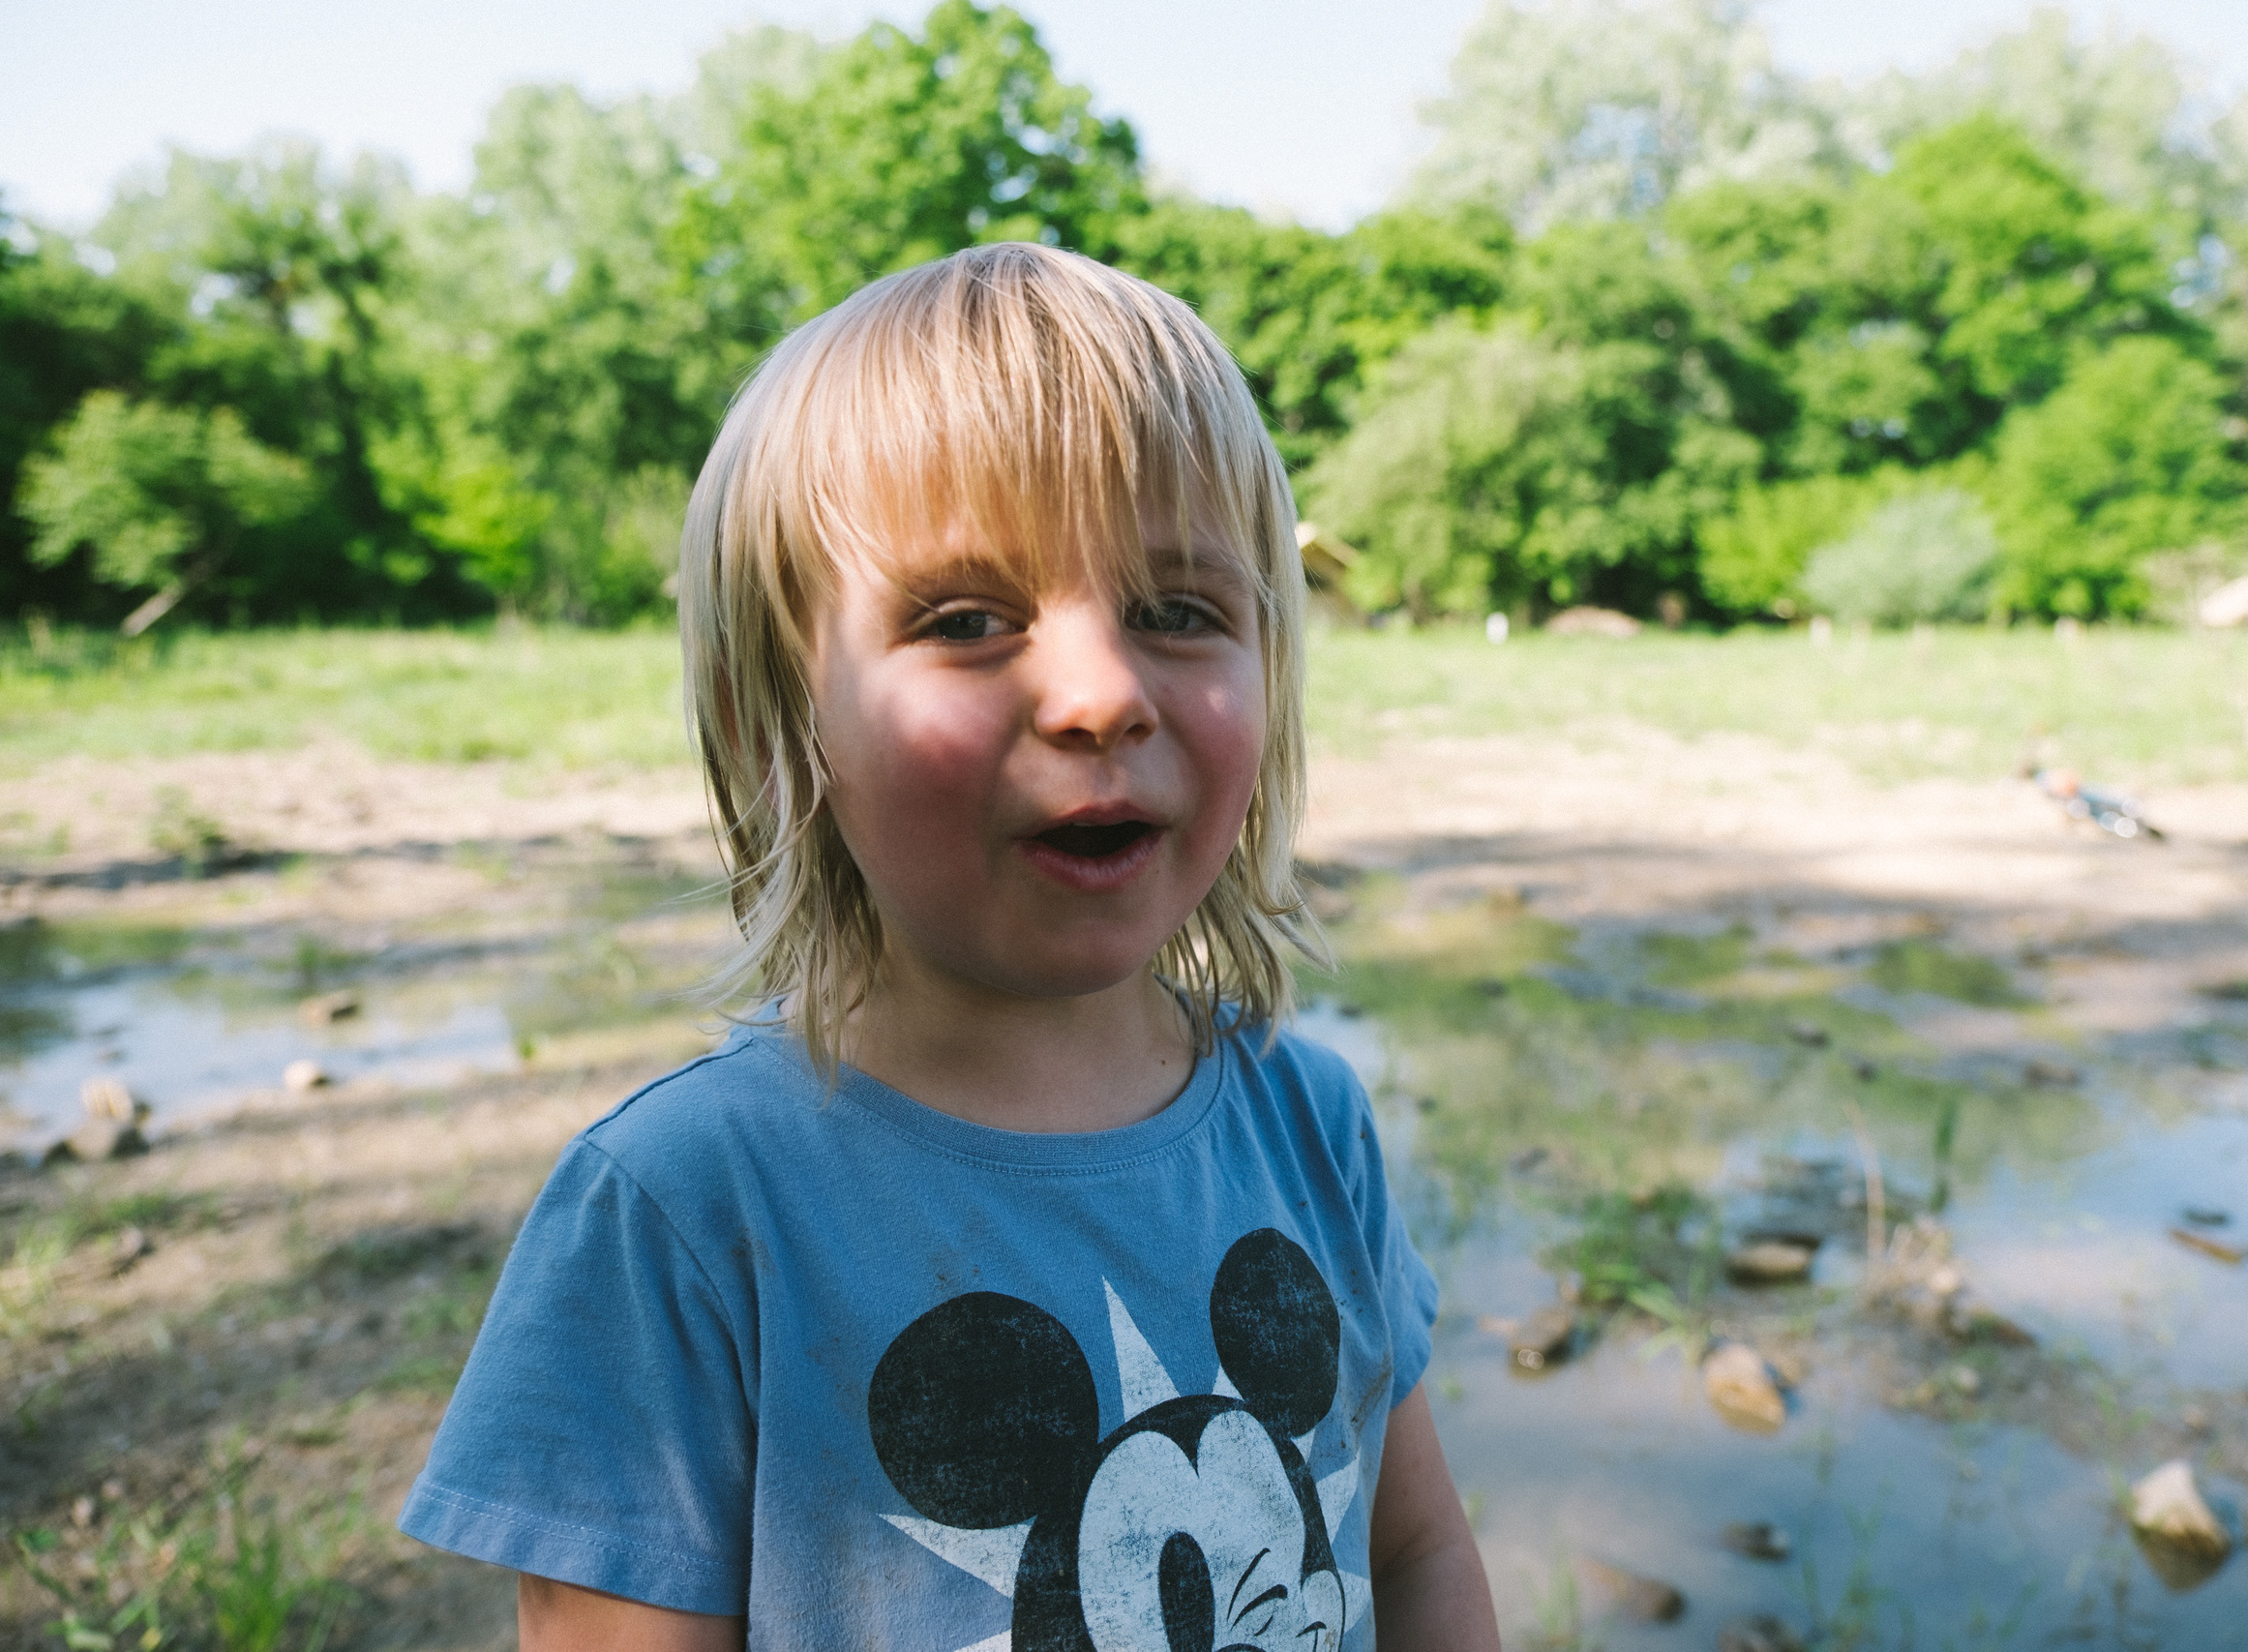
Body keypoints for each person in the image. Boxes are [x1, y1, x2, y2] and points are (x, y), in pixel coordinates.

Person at [397, 243, 1498, 1651]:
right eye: (967, 622)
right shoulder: (684, 1213)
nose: (1101, 695)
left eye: (1179, 612)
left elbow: (1413, 1550)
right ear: (776, 724)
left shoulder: (1313, 1119)